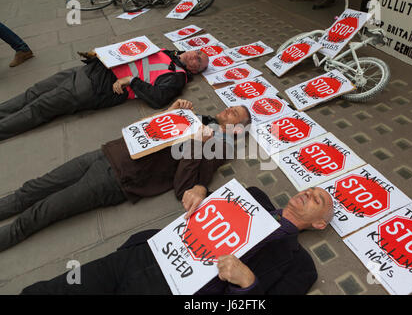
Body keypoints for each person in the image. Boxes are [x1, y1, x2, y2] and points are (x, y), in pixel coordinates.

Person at [0, 99, 251, 252]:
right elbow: (148, 131)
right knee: (34, 187)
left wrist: (197, 143)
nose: (230, 109)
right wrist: (170, 111)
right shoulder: (201, 118)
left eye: (236, 114)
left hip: (119, 178)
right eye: (232, 107)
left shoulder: (219, 147)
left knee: (46, 209)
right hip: (108, 153)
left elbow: (184, 186)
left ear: (238, 131)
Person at [21, 186, 334, 295]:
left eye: (317, 199)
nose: (308, 193)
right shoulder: (252, 195)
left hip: (175, 292)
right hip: (143, 257)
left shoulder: (300, 266)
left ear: (319, 223)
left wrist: (248, 283)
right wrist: (198, 189)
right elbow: (199, 199)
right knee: (52, 290)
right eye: (310, 189)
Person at [0, 47, 209, 141]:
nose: (195, 55)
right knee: (33, 92)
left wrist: (132, 81)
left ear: (193, 71)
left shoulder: (177, 76)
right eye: (198, 52)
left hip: (95, 87)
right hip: (88, 70)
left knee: (40, 107)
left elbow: (159, 98)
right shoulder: (169, 52)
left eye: (198, 61)